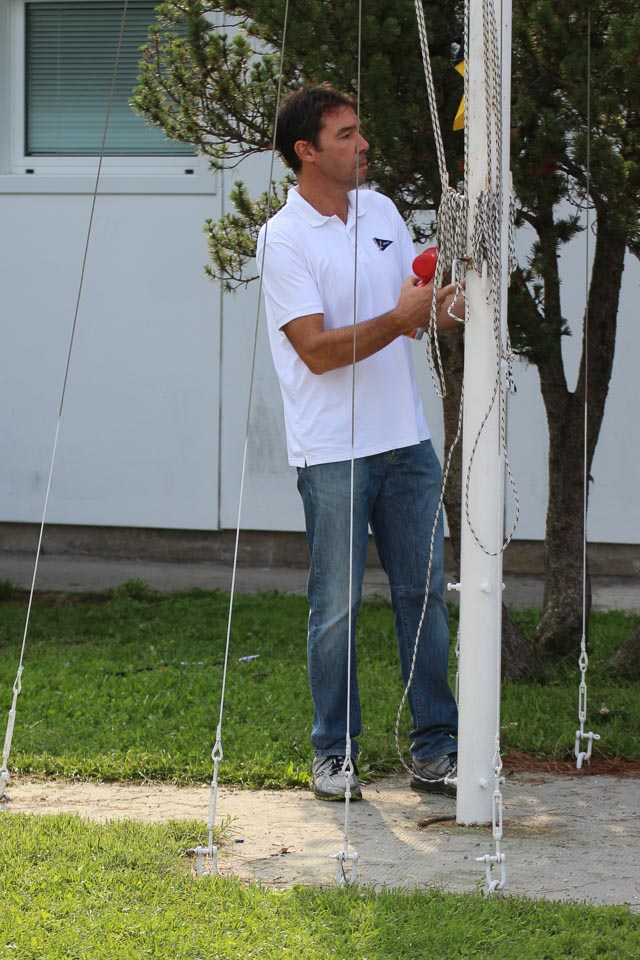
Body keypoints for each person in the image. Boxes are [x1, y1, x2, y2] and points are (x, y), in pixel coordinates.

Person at [256, 84, 462, 802]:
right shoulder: (283, 237)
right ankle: (334, 754)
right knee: (337, 606)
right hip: (331, 452)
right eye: (345, 135)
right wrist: (402, 317)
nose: (363, 144)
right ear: (306, 151)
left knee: (424, 596)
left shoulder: (380, 211)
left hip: (406, 442)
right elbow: (315, 351)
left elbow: (420, 311)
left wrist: (457, 304)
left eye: (358, 130)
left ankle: (436, 751)